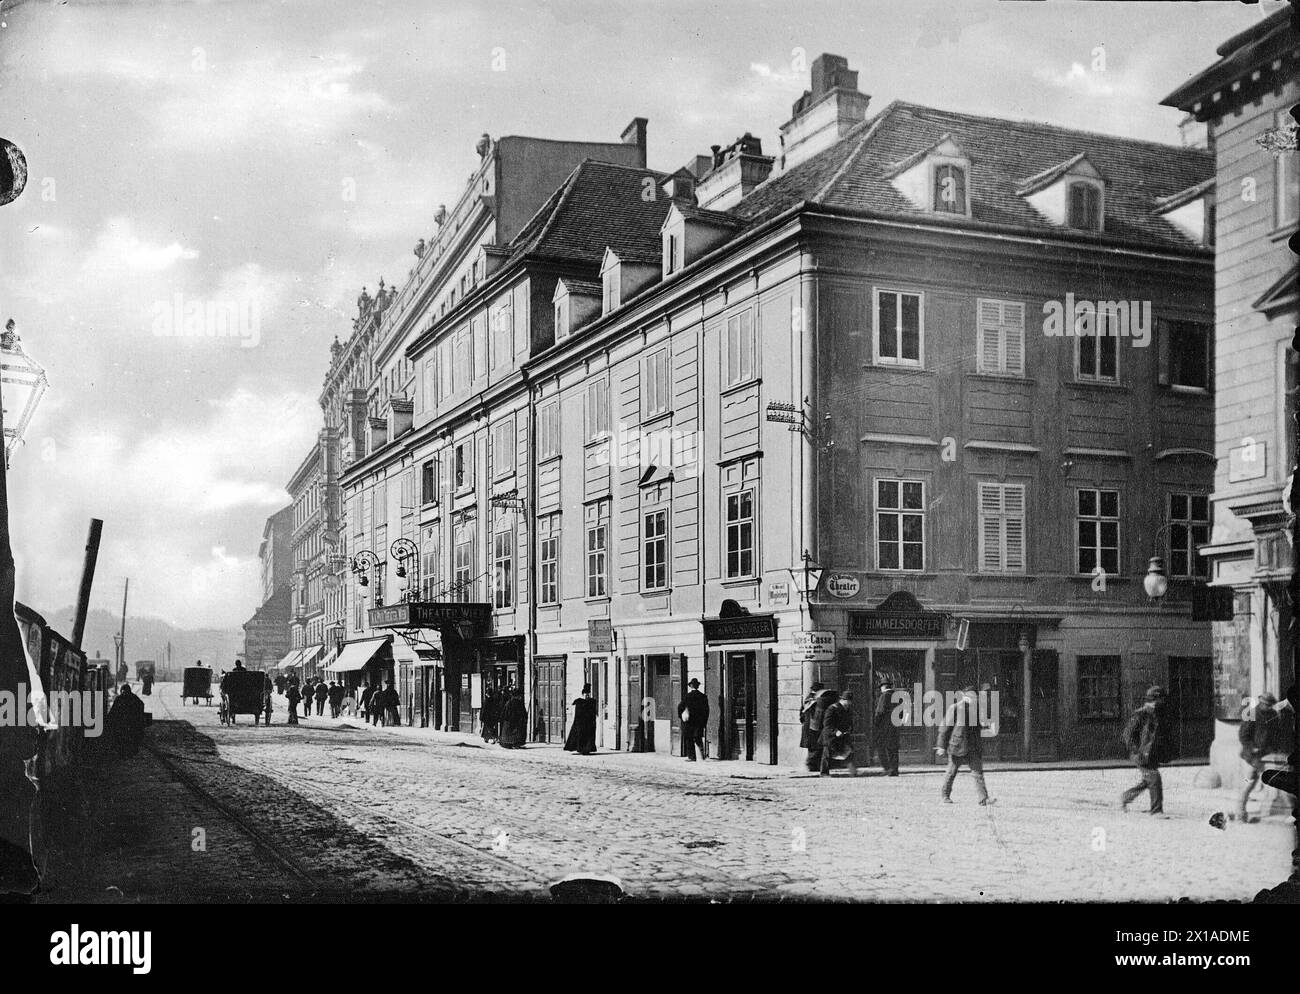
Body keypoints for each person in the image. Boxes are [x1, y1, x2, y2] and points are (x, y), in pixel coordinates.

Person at [1119, 685, 1173, 815]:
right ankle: (1156, 811)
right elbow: (1127, 735)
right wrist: (1137, 751)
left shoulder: (1158, 714)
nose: (1163, 702)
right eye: (1161, 699)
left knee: (1148, 780)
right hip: (1141, 755)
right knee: (1154, 778)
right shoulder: (1140, 714)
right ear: (1155, 699)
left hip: (1152, 754)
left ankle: (1126, 797)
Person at [937, 685, 993, 805]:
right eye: (972, 697)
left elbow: (977, 728)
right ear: (965, 697)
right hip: (957, 746)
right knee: (951, 772)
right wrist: (941, 746)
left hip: (972, 747)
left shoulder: (976, 709)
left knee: (978, 773)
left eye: (975, 697)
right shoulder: (955, 708)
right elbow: (945, 728)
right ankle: (945, 795)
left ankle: (983, 799)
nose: (974, 699)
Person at [1238, 692, 1286, 822]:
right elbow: (1243, 735)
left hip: (1267, 756)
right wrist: (1252, 747)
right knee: (1248, 783)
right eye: (1266, 704)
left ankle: (1268, 811)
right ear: (1260, 702)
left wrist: (1276, 749)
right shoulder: (1251, 714)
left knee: (1270, 784)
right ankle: (1241, 812)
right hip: (1252, 758)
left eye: (1270, 705)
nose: (1268, 707)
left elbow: (1277, 734)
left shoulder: (1273, 715)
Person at [820, 690, 857, 777]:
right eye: (848, 701)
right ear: (843, 700)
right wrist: (835, 732)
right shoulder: (832, 709)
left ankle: (853, 771)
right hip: (830, 735)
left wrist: (850, 729)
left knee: (849, 751)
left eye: (850, 702)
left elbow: (849, 720)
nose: (849, 704)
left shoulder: (847, 709)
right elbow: (826, 724)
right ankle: (824, 773)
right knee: (827, 754)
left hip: (843, 735)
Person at [104, 683, 146, 757]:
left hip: (122, 723)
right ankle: (129, 752)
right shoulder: (134, 697)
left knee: (121, 737)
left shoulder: (120, 698)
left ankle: (123, 752)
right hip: (130, 723)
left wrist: (109, 719)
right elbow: (141, 705)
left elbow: (113, 711)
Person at [873, 678, 901, 776]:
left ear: (883, 687)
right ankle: (894, 769)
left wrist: (876, 723)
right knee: (893, 748)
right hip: (895, 726)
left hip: (884, 726)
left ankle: (888, 769)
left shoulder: (884, 696)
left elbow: (880, 712)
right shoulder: (898, 697)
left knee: (881, 747)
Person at [678, 678, 709, 761]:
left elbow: (680, 707)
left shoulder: (687, 696)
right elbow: (706, 711)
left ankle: (692, 757)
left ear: (691, 686)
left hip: (689, 722)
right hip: (699, 722)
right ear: (698, 686)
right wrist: (704, 722)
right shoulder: (703, 697)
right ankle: (702, 756)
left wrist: (681, 717)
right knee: (698, 738)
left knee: (689, 739)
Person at [566, 684, 599, 756]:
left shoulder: (592, 702)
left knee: (589, 736)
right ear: (583, 694)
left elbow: (593, 712)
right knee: (581, 736)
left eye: (588, 694)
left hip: (589, 723)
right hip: (581, 723)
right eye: (585, 694)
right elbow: (577, 714)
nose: (587, 696)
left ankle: (587, 749)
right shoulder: (579, 702)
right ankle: (580, 749)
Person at [799, 682, 824, 771]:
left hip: (808, 726)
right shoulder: (817, 699)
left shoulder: (808, 698)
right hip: (814, 726)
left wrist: (804, 722)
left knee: (813, 746)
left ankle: (812, 765)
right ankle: (811, 765)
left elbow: (801, 713)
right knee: (815, 746)